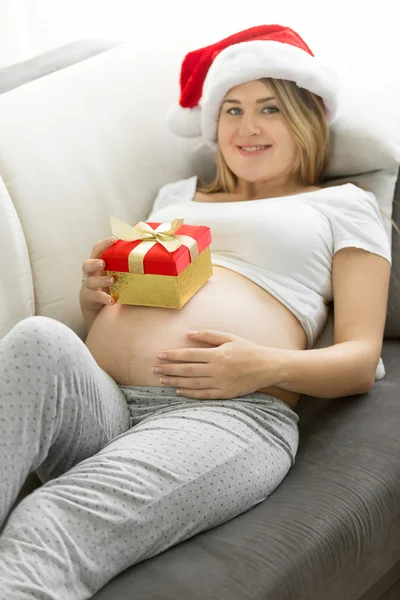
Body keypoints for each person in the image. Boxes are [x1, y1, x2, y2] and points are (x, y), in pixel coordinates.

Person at [0, 24, 393, 599]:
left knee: (49, 521)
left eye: (270, 109)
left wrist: (264, 366)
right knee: (36, 336)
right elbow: (132, 305)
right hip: (106, 402)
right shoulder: (178, 197)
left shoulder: (344, 205)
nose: (247, 127)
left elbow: (360, 359)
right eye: (232, 109)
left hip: (228, 415)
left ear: (308, 118)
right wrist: (98, 300)